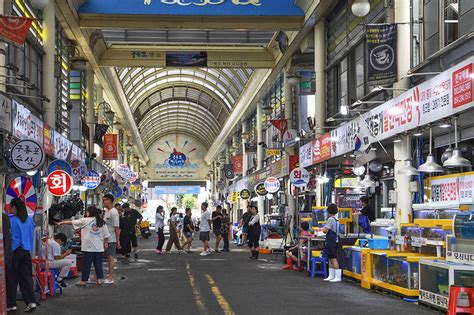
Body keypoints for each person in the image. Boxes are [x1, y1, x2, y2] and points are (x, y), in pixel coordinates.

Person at [58, 206, 110, 286]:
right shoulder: (101, 222)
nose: (86, 213)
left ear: (90, 212)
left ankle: (84, 281)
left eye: (87, 211)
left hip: (87, 247)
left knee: (86, 265)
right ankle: (100, 280)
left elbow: (73, 222)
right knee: (98, 264)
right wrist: (105, 243)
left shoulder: (85, 220)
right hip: (99, 248)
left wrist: (62, 222)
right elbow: (106, 235)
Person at [9, 198, 37, 312]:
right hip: (26, 251)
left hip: (15, 251)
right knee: (26, 278)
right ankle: (31, 302)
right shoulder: (30, 220)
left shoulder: (11, 220)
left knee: (12, 278)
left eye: (11, 207)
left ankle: (11, 304)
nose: (9, 209)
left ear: (15, 208)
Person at [316, 204, 342, 283]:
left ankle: (337, 276)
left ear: (329, 211)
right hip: (334, 239)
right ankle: (331, 275)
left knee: (333, 258)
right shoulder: (336, 219)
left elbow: (326, 230)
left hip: (331, 240)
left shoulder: (330, 219)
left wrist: (321, 229)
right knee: (330, 257)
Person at [102, 194, 120, 284]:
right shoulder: (106, 211)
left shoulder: (114, 212)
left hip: (111, 239)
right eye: (103, 200)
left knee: (110, 257)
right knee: (100, 257)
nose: (104, 201)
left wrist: (118, 240)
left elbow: (117, 228)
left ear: (110, 201)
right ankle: (97, 276)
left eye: (105, 200)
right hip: (104, 238)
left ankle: (110, 277)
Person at [3, 212, 14, 312]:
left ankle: (9, 304)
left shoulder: (4, 218)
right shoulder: (6, 217)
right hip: (8, 255)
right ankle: (10, 304)